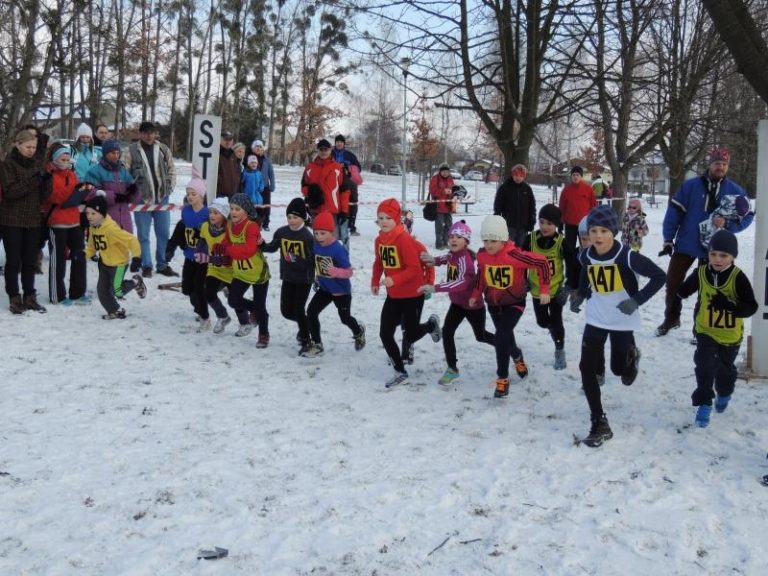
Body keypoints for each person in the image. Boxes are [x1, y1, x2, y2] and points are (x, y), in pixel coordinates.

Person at [569, 205, 665, 447]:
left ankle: (631, 354)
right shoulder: (586, 254)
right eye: (593, 231)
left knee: (618, 370)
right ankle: (598, 421)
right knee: (586, 367)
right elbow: (585, 269)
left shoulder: (627, 255)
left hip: (623, 319)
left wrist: (637, 300)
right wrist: (580, 294)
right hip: (596, 317)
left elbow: (659, 276)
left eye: (603, 230)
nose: (598, 236)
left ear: (613, 231)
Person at [656, 148, 753, 337]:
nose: (721, 167)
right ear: (710, 164)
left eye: (724, 164)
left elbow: (748, 216)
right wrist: (668, 238)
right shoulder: (690, 186)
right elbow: (674, 212)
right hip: (686, 243)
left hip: (715, 250)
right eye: (717, 163)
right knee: (673, 282)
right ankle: (671, 318)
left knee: (707, 290)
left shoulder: (735, 191)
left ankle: (699, 328)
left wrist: (728, 225)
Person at [675, 230, 757, 427]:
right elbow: (684, 289)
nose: (717, 259)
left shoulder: (738, 277)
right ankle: (704, 402)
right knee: (703, 364)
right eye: (713, 254)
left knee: (724, 371)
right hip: (706, 330)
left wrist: (729, 305)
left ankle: (725, 392)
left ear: (732, 257)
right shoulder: (702, 272)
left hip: (730, 335)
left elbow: (751, 307)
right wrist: (678, 293)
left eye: (723, 255)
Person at [469, 215, 551, 398]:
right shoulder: (482, 255)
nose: (489, 245)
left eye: (494, 240)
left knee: (500, 336)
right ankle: (517, 356)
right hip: (493, 304)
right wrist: (476, 294)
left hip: (514, 303)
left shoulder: (514, 255)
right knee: (505, 337)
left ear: (503, 239)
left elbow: (542, 263)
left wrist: (545, 289)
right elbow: (481, 276)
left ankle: (502, 379)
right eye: (486, 240)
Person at [371, 198, 441, 389]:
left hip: (412, 294)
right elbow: (379, 262)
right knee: (385, 333)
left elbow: (414, 270)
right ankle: (400, 371)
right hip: (393, 296)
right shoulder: (379, 240)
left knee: (409, 333)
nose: (384, 221)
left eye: (388, 217)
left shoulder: (404, 240)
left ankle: (430, 325)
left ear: (396, 219)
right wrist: (375, 281)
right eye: (380, 217)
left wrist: (394, 279)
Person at [419, 220, 495, 388]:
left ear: (466, 241)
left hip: (473, 305)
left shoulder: (465, 260)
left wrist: (434, 287)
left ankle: (507, 346)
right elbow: (446, 258)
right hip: (457, 304)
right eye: (451, 236)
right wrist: (433, 260)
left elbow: (461, 283)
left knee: (481, 336)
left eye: (458, 237)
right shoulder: (453, 255)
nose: (453, 239)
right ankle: (452, 368)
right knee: (447, 332)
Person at [301, 211, 365, 357]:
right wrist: (318, 277)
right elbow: (318, 263)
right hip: (325, 289)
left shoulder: (338, 249)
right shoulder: (316, 246)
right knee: (311, 312)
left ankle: (358, 331)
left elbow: (349, 272)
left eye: (323, 233)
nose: (318, 237)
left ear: (332, 232)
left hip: (341, 291)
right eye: (316, 233)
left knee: (345, 319)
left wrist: (335, 272)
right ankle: (317, 344)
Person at [0, 129, 49, 314]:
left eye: (34, 147)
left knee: (30, 261)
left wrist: (46, 181)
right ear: (18, 145)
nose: (31, 150)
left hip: (33, 219)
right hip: (12, 219)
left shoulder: (37, 164)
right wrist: (33, 181)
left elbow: (44, 194)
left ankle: (30, 295)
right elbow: (10, 191)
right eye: (28, 147)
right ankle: (14, 297)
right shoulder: (7, 165)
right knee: (13, 261)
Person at [261, 198, 315, 352]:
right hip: (288, 276)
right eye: (289, 217)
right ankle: (307, 324)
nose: (292, 220)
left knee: (298, 309)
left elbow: (312, 261)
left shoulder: (308, 237)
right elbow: (272, 247)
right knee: (286, 312)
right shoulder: (282, 232)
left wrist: (297, 259)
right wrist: (261, 245)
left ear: (303, 218)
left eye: (295, 217)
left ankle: (306, 340)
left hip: (304, 278)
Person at [124, 121, 177, 278]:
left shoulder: (163, 149)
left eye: (152, 132)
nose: (149, 136)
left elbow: (171, 169)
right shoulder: (130, 151)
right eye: (146, 132)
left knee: (163, 232)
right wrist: (132, 192)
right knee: (143, 234)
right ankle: (146, 264)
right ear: (140, 134)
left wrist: (170, 188)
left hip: (162, 198)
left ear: (156, 134)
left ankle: (162, 264)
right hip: (141, 200)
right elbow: (125, 174)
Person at [217, 193, 270, 347]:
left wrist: (228, 250)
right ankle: (256, 310)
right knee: (233, 300)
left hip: (258, 273)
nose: (233, 212)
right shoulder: (230, 226)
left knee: (261, 308)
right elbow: (226, 242)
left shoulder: (251, 226)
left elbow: (249, 250)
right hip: (240, 273)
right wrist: (219, 248)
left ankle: (263, 335)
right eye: (232, 208)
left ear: (245, 211)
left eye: (237, 209)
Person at [521, 204, 570, 370]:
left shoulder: (561, 241)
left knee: (557, 320)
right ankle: (551, 329)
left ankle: (559, 349)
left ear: (556, 224)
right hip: (536, 289)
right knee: (542, 322)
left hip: (555, 290)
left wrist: (568, 286)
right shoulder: (531, 239)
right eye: (541, 222)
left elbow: (572, 264)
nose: (544, 227)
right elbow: (520, 261)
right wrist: (524, 280)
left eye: (549, 223)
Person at [84, 196, 147, 319]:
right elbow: (92, 246)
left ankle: (136, 282)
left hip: (119, 264)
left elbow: (132, 240)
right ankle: (116, 310)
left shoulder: (111, 229)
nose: (89, 216)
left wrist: (136, 257)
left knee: (116, 290)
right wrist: (83, 255)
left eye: (93, 213)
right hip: (104, 263)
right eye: (87, 213)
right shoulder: (93, 228)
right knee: (102, 290)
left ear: (102, 214)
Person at [44, 143, 89, 305]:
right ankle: (58, 295)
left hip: (74, 221)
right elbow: (53, 197)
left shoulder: (72, 174)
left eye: (68, 158)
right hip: (57, 223)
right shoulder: (49, 175)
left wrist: (83, 191)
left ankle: (78, 292)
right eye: (63, 158)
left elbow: (78, 194)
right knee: (58, 261)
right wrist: (74, 191)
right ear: (55, 159)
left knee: (79, 257)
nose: (66, 161)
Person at [166, 176, 210, 331]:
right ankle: (200, 308)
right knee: (187, 288)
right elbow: (180, 231)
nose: (190, 197)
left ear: (202, 196)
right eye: (188, 193)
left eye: (193, 194)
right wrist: (171, 248)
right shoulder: (186, 212)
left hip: (204, 258)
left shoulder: (208, 213)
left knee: (199, 287)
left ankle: (205, 317)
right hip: (189, 256)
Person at [84, 139, 138, 233]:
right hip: (105, 222)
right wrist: (112, 196)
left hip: (125, 223)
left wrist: (133, 191)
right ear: (105, 154)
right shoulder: (94, 172)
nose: (116, 156)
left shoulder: (123, 171)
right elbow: (89, 193)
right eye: (113, 153)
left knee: (125, 247)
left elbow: (135, 194)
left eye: (118, 153)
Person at [558, 165, 596, 296]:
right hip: (570, 224)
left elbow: (593, 206)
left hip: (584, 225)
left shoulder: (588, 189)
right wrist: (560, 223)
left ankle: (586, 275)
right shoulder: (566, 190)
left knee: (585, 250)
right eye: (573, 175)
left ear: (581, 176)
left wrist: (592, 222)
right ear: (571, 176)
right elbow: (561, 207)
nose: (575, 177)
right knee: (569, 251)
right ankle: (570, 277)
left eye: (578, 175)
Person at [197, 197, 234, 334]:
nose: (212, 215)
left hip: (231, 270)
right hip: (214, 269)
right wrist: (199, 251)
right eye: (211, 212)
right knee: (209, 293)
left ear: (224, 215)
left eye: (216, 213)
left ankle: (245, 322)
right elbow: (202, 240)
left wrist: (225, 258)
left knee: (234, 300)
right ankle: (223, 316)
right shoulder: (206, 226)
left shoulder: (231, 229)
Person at [301, 138, 346, 229]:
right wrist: (310, 191)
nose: (323, 152)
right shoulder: (310, 167)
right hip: (315, 209)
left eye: (326, 149)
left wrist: (345, 210)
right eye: (321, 149)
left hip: (331, 210)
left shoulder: (338, 168)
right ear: (317, 150)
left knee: (331, 239)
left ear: (330, 150)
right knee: (318, 237)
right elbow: (304, 186)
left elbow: (344, 190)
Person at [493, 163, 536, 247]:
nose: (518, 177)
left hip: (523, 225)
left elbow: (532, 206)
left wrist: (531, 220)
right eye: (516, 175)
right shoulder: (505, 187)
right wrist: (497, 218)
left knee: (520, 247)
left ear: (524, 176)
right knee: (508, 247)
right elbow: (498, 205)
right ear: (512, 175)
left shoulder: (527, 189)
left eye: (521, 175)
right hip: (509, 224)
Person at [332, 134, 363, 238]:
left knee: (352, 202)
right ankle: (336, 225)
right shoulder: (330, 153)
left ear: (344, 144)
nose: (339, 143)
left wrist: (348, 168)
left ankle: (351, 226)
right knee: (336, 203)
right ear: (335, 143)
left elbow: (358, 167)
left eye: (341, 142)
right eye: (337, 142)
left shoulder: (350, 155)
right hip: (334, 182)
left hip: (349, 182)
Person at [428, 163, 454, 249]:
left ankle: (445, 242)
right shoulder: (435, 178)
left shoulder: (450, 179)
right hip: (438, 207)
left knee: (449, 226)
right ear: (440, 171)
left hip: (448, 206)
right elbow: (433, 190)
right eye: (443, 171)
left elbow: (453, 190)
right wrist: (443, 191)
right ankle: (439, 244)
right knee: (439, 227)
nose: (445, 173)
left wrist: (455, 194)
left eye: (447, 171)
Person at [251, 140, 275, 231]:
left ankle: (266, 223)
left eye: (261, 146)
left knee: (266, 205)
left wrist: (272, 185)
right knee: (256, 205)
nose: (259, 148)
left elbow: (271, 173)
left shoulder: (267, 160)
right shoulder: (250, 159)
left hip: (265, 187)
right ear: (253, 148)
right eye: (257, 146)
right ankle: (256, 222)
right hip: (255, 187)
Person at [217, 130, 241, 199]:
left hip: (233, 194)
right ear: (220, 140)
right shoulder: (216, 153)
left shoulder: (233, 155)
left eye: (230, 139)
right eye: (225, 139)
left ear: (232, 141)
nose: (228, 142)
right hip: (220, 194)